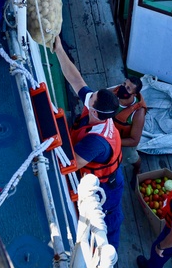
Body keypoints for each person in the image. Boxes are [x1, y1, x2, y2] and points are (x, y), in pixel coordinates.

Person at [52, 35, 124, 250]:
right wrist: (58, 49)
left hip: (106, 187)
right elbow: (76, 80)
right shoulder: (99, 111)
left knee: (107, 222)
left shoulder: (97, 141)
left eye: (91, 99)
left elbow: (72, 163)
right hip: (104, 174)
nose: (88, 96)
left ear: (94, 111)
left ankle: (107, 260)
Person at [113, 77, 146, 176]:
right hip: (110, 131)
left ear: (134, 95)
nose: (123, 88)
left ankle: (137, 169)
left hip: (125, 142)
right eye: (124, 84)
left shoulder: (138, 114)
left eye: (128, 88)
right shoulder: (115, 93)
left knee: (132, 157)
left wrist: (113, 141)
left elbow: (134, 140)